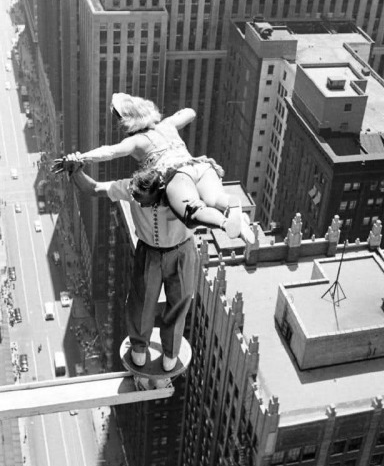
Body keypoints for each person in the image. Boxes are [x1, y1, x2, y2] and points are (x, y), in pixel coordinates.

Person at [53, 93, 254, 244]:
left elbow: (110, 152)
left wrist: (82, 157)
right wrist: (176, 116)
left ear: (128, 123)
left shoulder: (136, 141)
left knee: (193, 212)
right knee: (215, 199)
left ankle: (226, 224)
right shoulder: (168, 125)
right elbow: (190, 113)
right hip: (200, 167)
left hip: (178, 175)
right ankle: (232, 208)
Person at [62, 154, 198, 372]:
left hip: (181, 251)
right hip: (149, 252)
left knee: (179, 300)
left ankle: (170, 351)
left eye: (141, 197)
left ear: (158, 192)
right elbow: (95, 188)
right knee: (140, 301)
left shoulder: (179, 193)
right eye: (134, 195)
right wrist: (76, 172)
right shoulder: (131, 189)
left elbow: (209, 198)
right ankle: (139, 347)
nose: (136, 200)